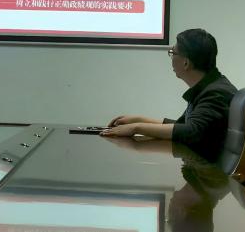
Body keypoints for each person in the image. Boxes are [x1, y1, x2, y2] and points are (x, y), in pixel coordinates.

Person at [102, 28, 237, 162]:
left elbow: (191, 131)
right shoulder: (210, 87)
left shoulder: (216, 93)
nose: (171, 58)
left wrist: (136, 128)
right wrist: (138, 120)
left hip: (208, 172)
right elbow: (181, 126)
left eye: (173, 53)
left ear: (186, 63)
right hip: (200, 166)